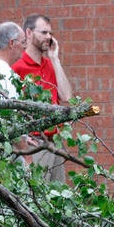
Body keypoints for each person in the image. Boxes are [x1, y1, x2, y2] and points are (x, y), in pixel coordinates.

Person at [12, 13, 73, 182]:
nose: (49, 37)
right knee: (37, 200)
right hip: (34, 144)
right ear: (29, 33)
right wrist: (23, 139)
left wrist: (55, 59)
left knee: (58, 200)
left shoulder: (50, 64)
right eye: (44, 33)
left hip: (54, 142)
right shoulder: (17, 68)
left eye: (50, 33)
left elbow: (66, 96)